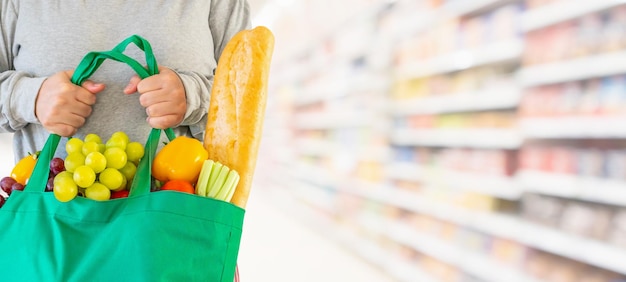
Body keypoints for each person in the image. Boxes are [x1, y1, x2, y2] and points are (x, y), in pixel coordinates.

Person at [0, 0, 251, 162]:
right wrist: (31, 98)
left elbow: (248, 109)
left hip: (171, 223)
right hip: (46, 222)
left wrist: (192, 96)